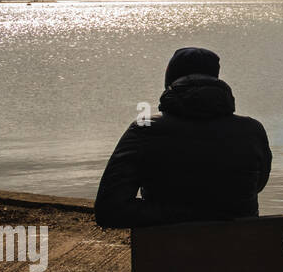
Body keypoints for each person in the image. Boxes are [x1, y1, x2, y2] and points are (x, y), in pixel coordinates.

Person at [95, 47, 272, 228]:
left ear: (170, 81)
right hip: (243, 251)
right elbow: (257, 185)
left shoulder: (145, 130)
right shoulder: (252, 131)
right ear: (216, 78)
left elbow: (109, 209)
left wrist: (184, 214)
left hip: (169, 251)